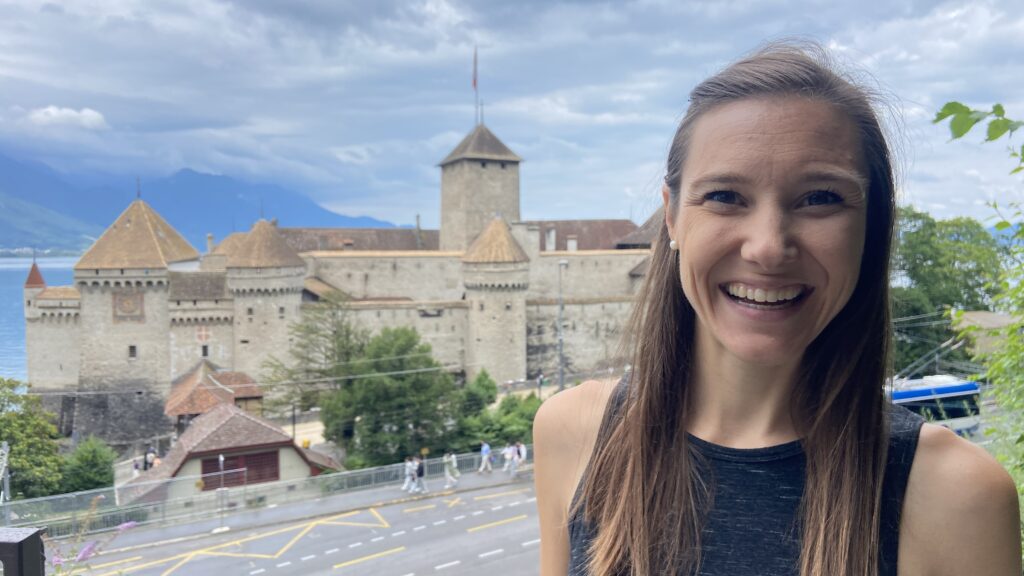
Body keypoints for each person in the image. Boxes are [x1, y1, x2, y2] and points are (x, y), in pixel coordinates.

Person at [534, 42, 1021, 576]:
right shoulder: (574, 432)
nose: (768, 247)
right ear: (671, 218)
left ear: (870, 227)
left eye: (819, 198)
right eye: (725, 196)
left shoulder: (956, 496)